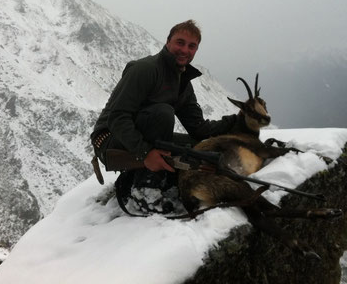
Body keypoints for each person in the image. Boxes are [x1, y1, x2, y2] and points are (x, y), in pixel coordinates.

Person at [91, 20, 237, 213]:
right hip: (109, 140)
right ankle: (145, 191)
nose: (185, 49)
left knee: (197, 146)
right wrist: (146, 153)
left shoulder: (182, 82)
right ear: (168, 42)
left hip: (142, 137)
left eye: (191, 46)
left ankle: (168, 180)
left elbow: (199, 128)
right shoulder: (145, 69)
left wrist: (237, 122)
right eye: (180, 42)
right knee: (163, 113)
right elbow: (117, 117)